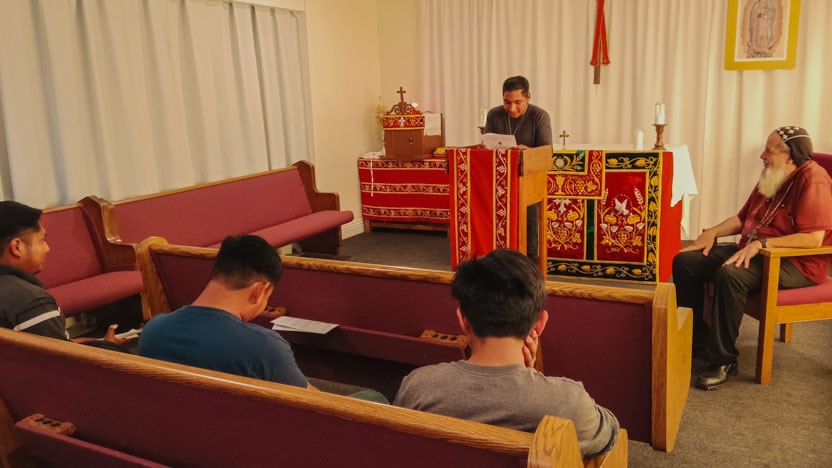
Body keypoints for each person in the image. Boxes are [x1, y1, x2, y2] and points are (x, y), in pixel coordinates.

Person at [394, 248, 619, 458]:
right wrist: (532, 376)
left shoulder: (418, 387)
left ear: (463, 319)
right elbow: (611, 434)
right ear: (540, 324)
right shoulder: (569, 403)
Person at [673, 126, 832, 390]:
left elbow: (813, 239)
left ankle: (724, 360)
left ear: (789, 156)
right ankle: (698, 342)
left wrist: (762, 244)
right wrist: (712, 232)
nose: (762, 156)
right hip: (754, 249)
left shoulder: (814, 180)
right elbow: (742, 219)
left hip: (795, 263)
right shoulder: (772, 175)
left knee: (731, 275)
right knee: (687, 262)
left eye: (768, 151)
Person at [139, 234, 311, 389]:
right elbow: (312, 403)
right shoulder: (264, 347)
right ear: (259, 291)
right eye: (268, 296)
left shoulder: (153, 330)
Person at [0, 201, 68, 340]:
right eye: (41, 240)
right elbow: (58, 353)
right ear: (17, 247)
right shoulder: (31, 301)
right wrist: (107, 347)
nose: (47, 248)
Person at [484, 75, 553, 149]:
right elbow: (486, 148)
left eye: (518, 103)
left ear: (528, 97)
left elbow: (547, 152)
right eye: (507, 102)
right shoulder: (493, 114)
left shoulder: (540, 116)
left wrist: (528, 151)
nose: (512, 109)